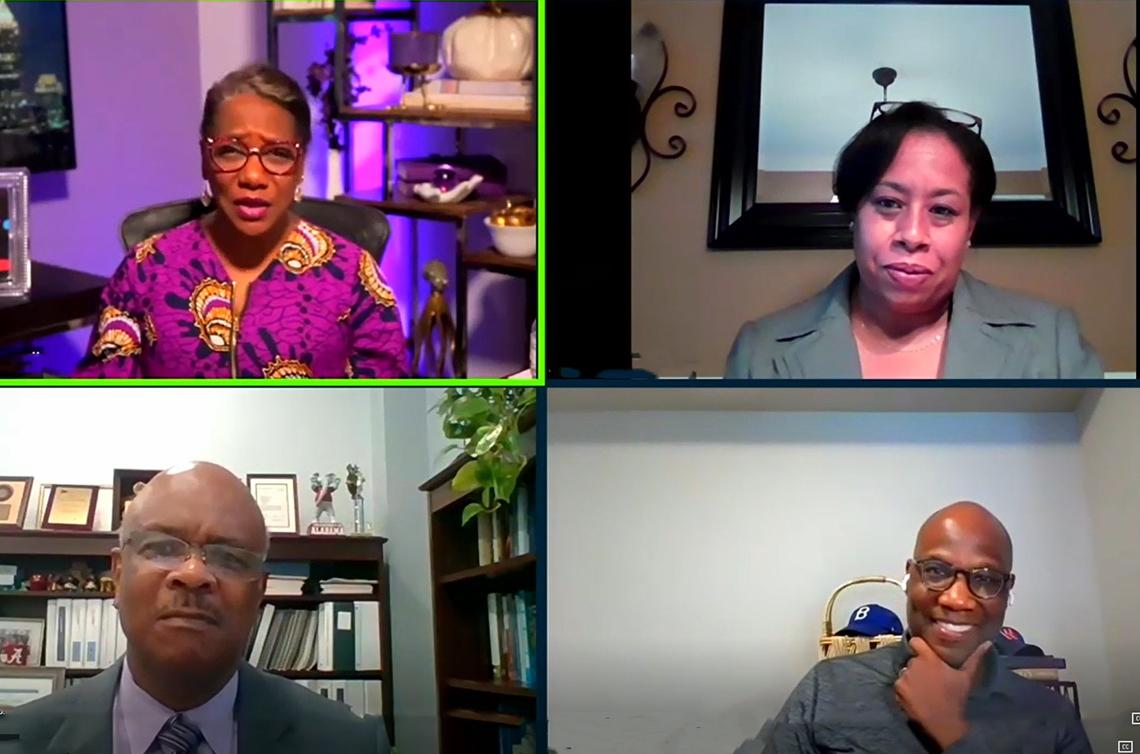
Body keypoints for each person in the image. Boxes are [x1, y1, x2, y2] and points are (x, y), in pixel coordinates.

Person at [0, 462, 389, 753]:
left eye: (229, 558)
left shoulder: (350, 744)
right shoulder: (19, 741)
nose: (193, 574)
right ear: (117, 575)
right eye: (162, 548)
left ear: (259, 594)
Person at [74, 63, 408, 378]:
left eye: (278, 154)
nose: (252, 176)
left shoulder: (352, 274)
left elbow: (386, 403)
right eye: (230, 151)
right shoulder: (145, 268)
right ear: (205, 159)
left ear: (300, 166)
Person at [725, 102, 1102, 379]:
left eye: (942, 210)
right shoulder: (760, 352)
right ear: (855, 213)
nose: (913, 235)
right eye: (888, 203)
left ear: (970, 227)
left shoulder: (1052, 343)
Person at [737, 501, 1092, 754]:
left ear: (1007, 591)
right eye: (936, 571)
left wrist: (953, 734)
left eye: (985, 579)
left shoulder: (1052, 717)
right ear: (910, 577)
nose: (957, 599)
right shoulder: (828, 686)